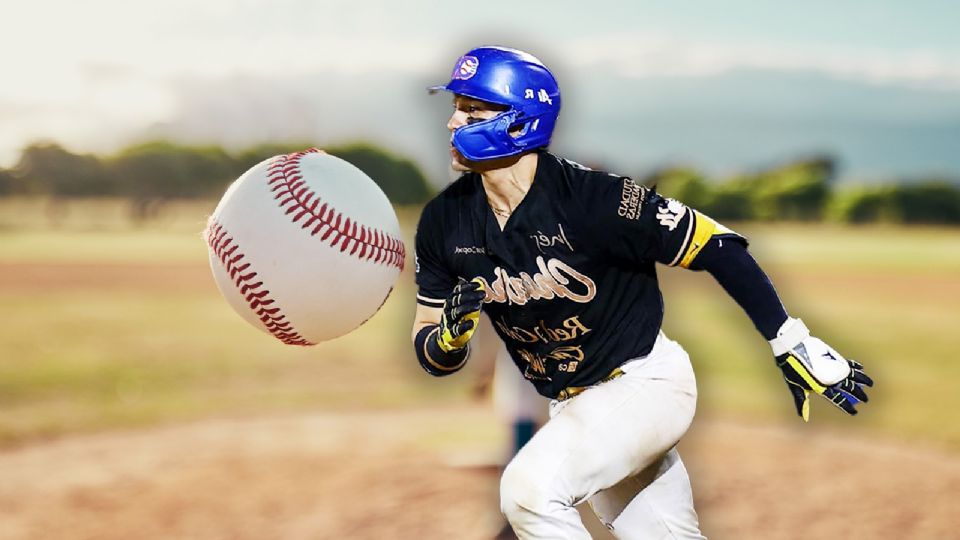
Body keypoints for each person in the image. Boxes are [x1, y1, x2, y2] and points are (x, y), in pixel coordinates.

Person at [411, 45, 873, 539]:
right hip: (575, 408)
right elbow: (429, 349)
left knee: (530, 489)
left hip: (644, 387)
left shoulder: (597, 200)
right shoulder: (444, 221)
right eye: (455, 107)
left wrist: (788, 339)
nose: (452, 123)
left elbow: (719, 246)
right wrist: (450, 339)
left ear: (520, 123)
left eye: (472, 110)